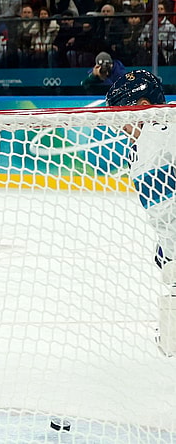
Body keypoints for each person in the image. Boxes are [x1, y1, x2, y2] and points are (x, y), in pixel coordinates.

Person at [104, 70, 175, 356]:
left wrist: (169, 253)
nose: (119, 125)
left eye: (122, 115)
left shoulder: (151, 145)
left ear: (144, 107)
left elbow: (167, 214)